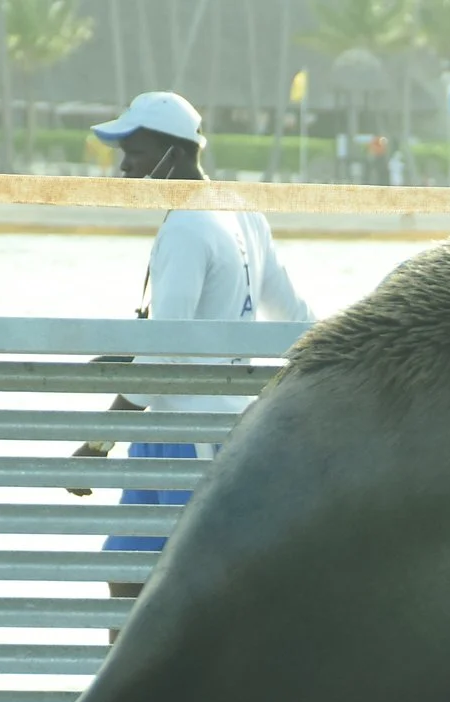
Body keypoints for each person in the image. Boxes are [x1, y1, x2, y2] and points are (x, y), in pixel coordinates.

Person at [69, 90, 312, 583]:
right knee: (127, 573)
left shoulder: (187, 229)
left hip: (192, 435)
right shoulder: (242, 212)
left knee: (178, 583)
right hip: (173, 427)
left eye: (135, 156)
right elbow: (294, 317)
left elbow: (165, 353)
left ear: (173, 155)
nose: (125, 170)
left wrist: (99, 440)